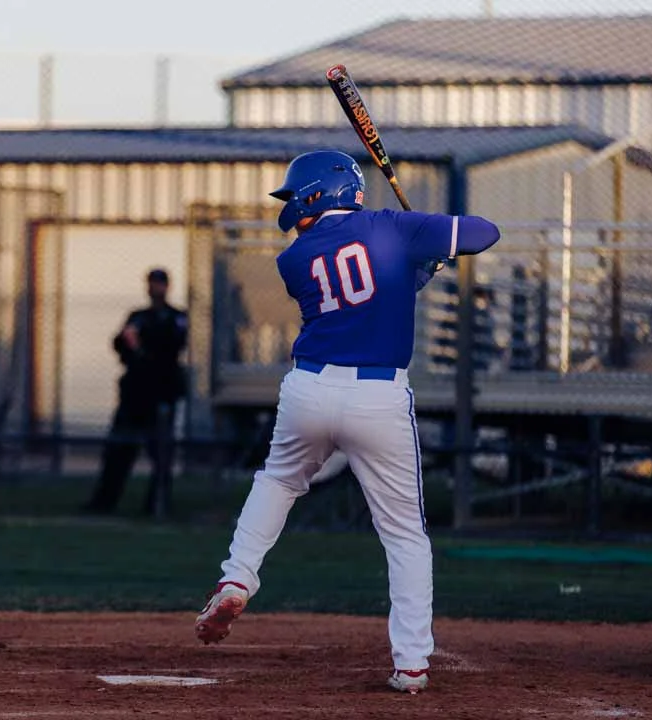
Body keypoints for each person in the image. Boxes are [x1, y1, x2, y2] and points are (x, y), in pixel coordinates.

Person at [193, 150, 500, 694]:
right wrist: (424, 239)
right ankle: (411, 663)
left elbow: (357, 294)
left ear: (319, 194)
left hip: (308, 389)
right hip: (378, 397)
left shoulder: (294, 259)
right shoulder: (394, 227)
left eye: (297, 195)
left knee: (278, 482)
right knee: (404, 534)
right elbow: (484, 232)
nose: (292, 206)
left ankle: (237, 575)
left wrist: (414, 261)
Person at [83, 268, 188, 517]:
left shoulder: (175, 317)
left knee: (160, 452)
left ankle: (157, 504)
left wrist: (144, 345)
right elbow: (120, 343)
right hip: (135, 393)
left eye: (159, 284)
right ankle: (105, 501)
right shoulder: (138, 316)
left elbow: (172, 345)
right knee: (119, 449)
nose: (154, 289)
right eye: (151, 284)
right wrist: (132, 345)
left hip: (161, 391)